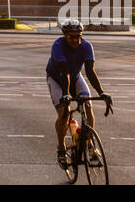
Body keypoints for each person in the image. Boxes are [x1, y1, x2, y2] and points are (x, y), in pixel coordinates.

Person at [47, 17, 111, 169]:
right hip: (57, 78)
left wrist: (101, 92)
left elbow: (90, 71)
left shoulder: (87, 46)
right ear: (64, 35)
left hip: (75, 76)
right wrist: (65, 94)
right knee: (64, 112)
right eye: (72, 37)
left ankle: (89, 144)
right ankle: (61, 148)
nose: (76, 40)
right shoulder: (58, 46)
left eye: (79, 36)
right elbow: (64, 73)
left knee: (88, 104)